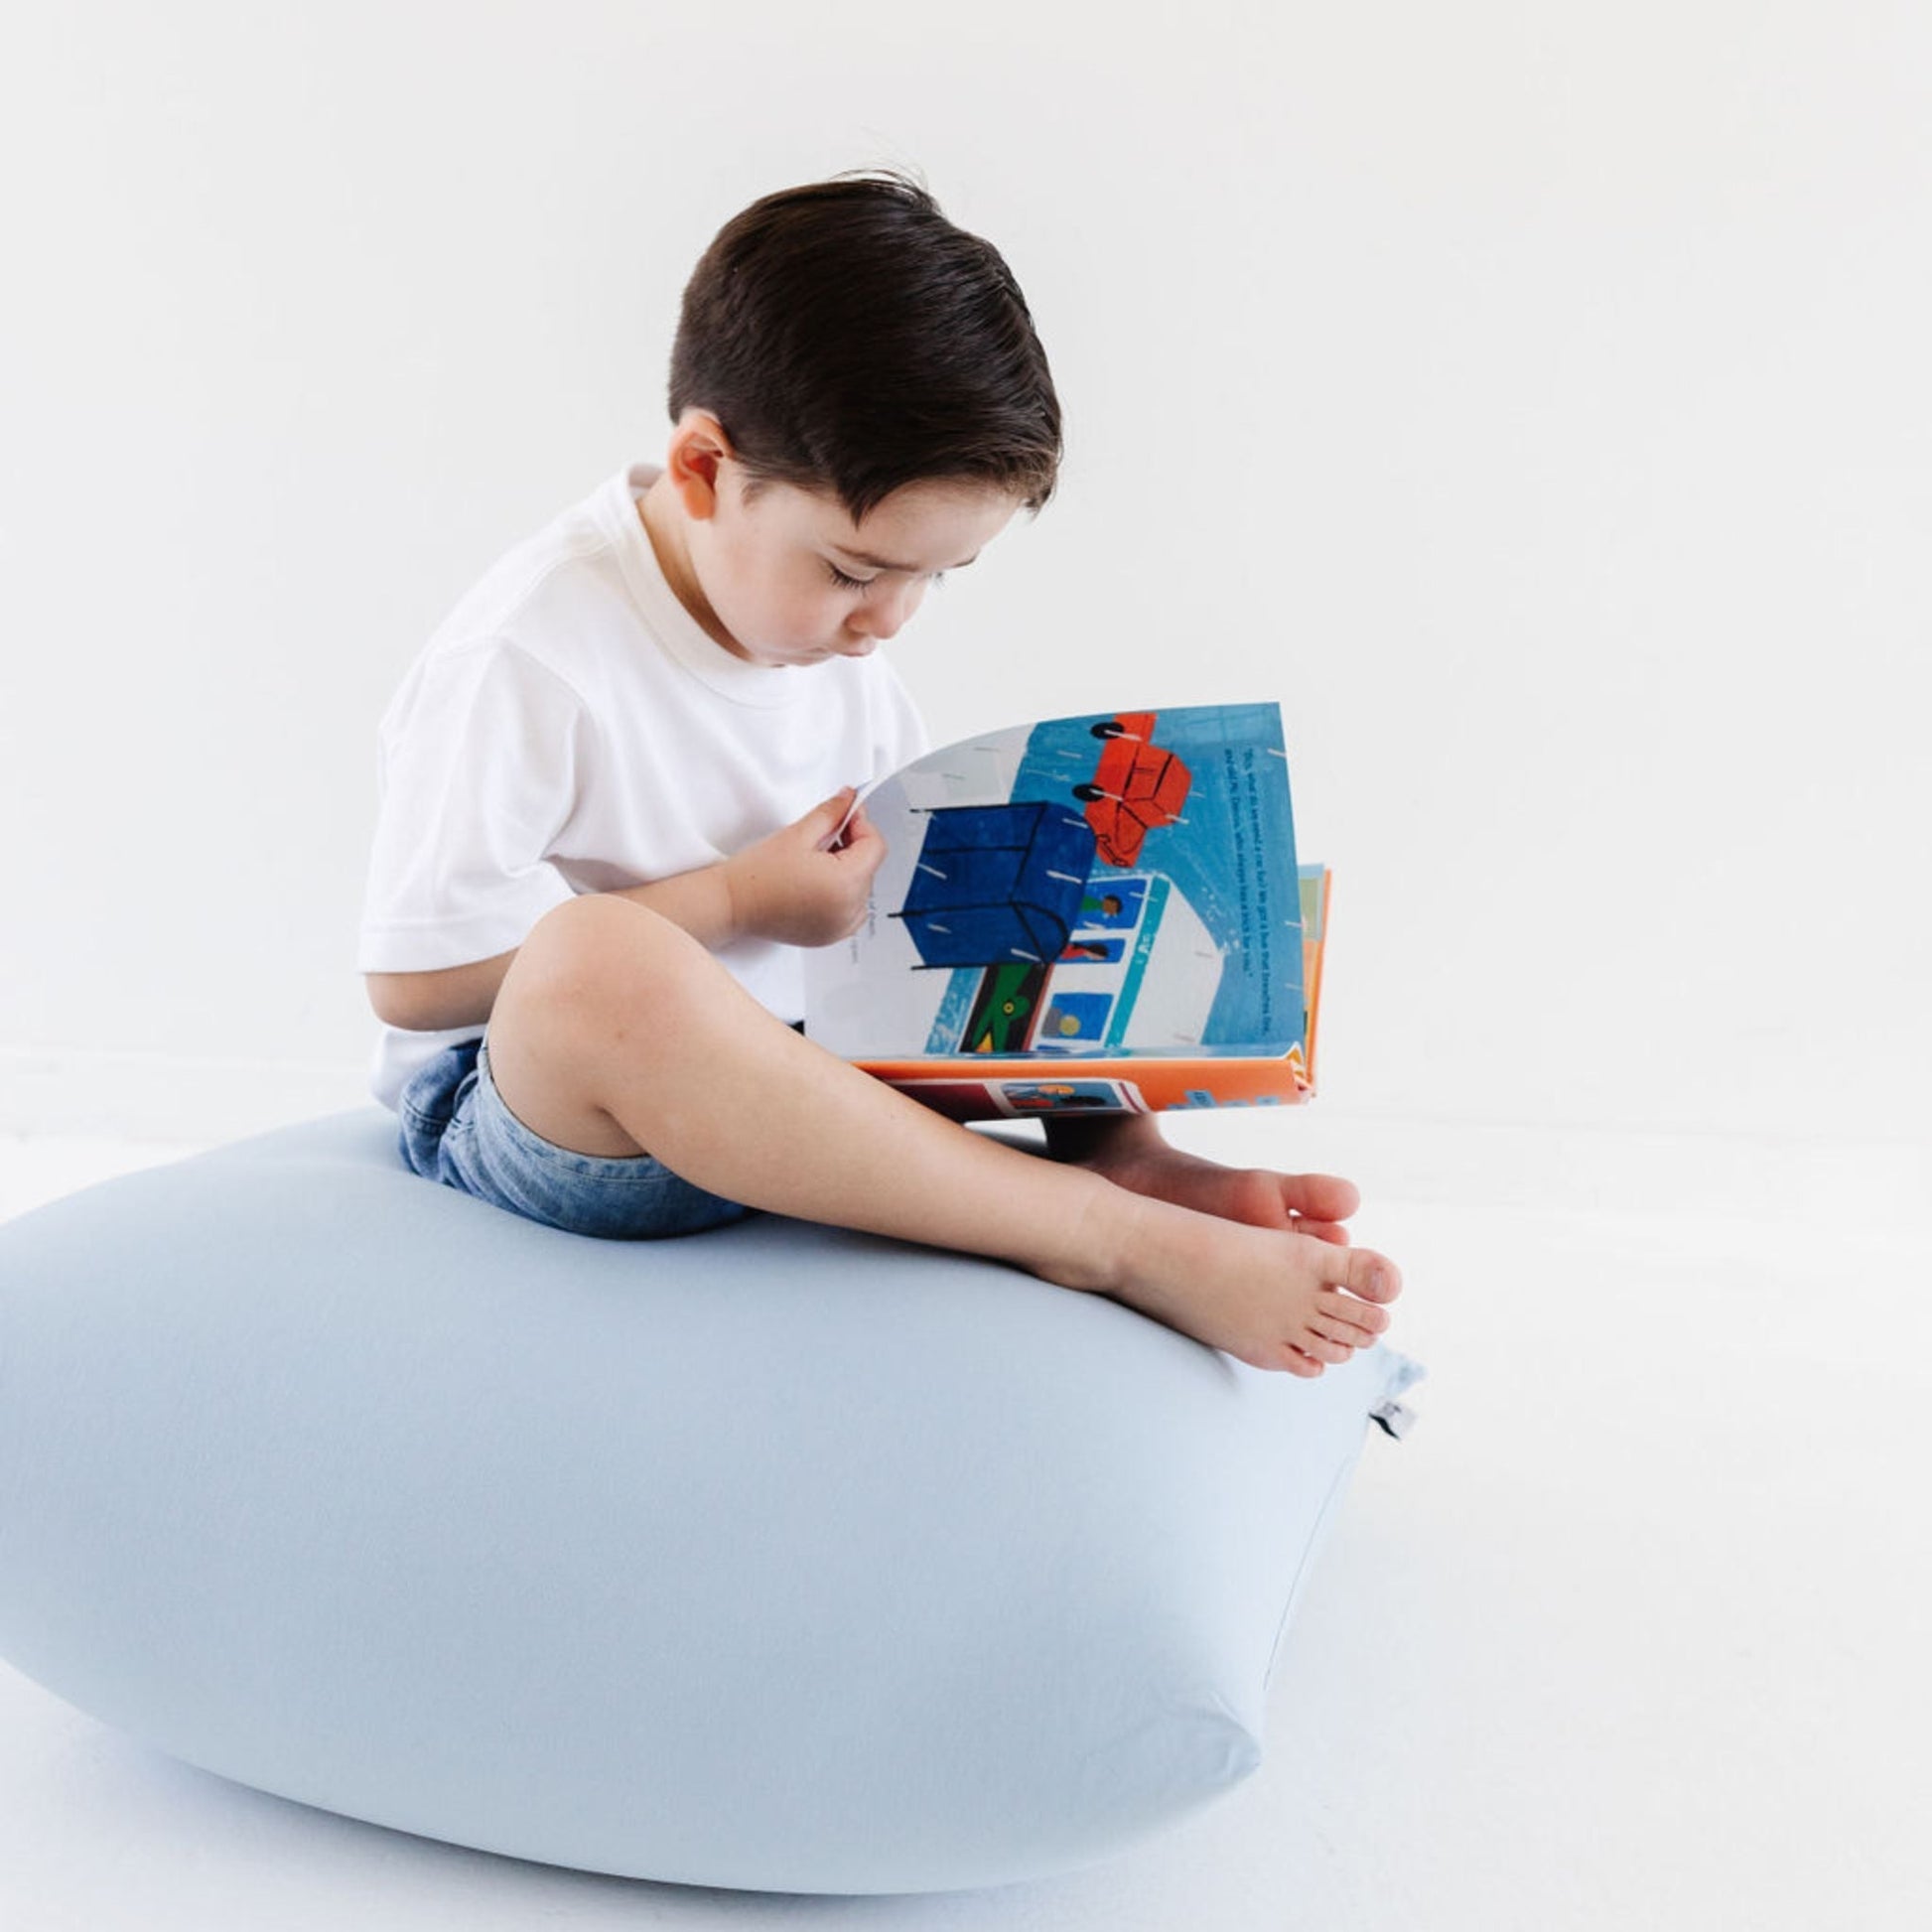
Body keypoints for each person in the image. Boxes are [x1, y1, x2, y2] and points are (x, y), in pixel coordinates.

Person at [358, 172, 1401, 1376]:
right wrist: (736, 901)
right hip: (557, 1119)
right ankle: (1095, 1235)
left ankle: (1123, 1165)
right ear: (701, 468)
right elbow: (413, 984)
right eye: (855, 572)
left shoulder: (834, 648)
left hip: (813, 1089)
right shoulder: (530, 651)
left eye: (932, 578)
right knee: (592, 958)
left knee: (1031, 859)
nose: (887, 621)